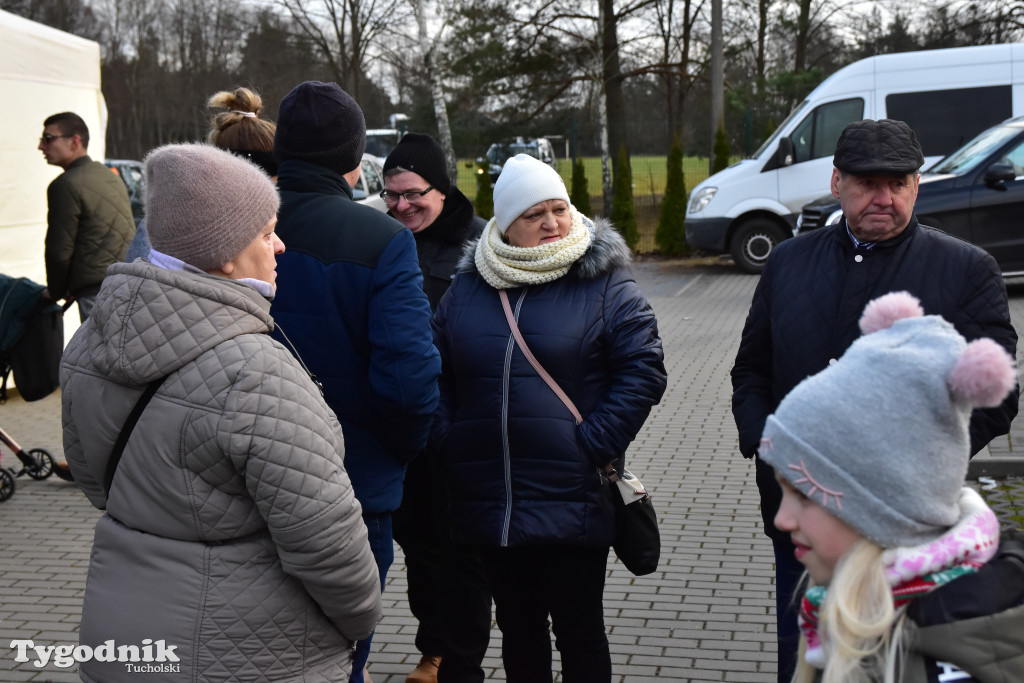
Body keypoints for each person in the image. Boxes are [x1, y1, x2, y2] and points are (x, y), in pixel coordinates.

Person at [59, 143, 382, 682]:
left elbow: (99, 483)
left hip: (120, 634)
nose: (280, 246)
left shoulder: (89, 344)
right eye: (265, 232)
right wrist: (361, 619)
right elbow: (327, 543)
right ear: (226, 253)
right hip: (247, 649)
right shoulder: (256, 372)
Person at [731, 118, 1020, 682]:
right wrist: (768, 444)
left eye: (900, 182)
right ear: (837, 182)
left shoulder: (965, 270)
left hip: (898, 529)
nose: (883, 198)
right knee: (806, 649)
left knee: (888, 660)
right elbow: (751, 368)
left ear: (918, 184)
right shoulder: (789, 261)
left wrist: (905, 463)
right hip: (800, 519)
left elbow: (995, 396)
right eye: (867, 183)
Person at [431, 154, 668, 683]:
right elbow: (436, 372)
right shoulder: (468, 288)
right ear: (506, 225)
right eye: (534, 214)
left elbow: (644, 371)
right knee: (518, 630)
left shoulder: (606, 283)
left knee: (581, 632)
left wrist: (590, 443)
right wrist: (450, 439)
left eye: (559, 209)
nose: (552, 224)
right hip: (491, 496)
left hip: (572, 491)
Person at [759, 290, 1024, 682]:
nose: (781, 520)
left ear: (886, 504)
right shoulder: (851, 605)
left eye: (805, 494)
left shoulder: (918, 660)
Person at [269, 81, 441, 683]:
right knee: (339, 653)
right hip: (351, 486)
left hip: (238, 484)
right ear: (354, 158)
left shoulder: (233, 229)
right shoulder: (382, 239)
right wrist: (397, 452)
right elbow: (409, 379)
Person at [382, 132, 490, 683]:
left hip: (465, 427)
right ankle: (436, 647)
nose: (402, 206)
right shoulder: (383, 240)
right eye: (391, 195)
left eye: (413, 193)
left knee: (464, 554)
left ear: (442, 189)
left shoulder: (482, 247)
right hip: (406, 431)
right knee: (421, 551)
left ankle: (455, 659)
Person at [38, 111, 135, 321]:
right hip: (126, 283)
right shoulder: (110, 176)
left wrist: (56, 291)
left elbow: (58, 250)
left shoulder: (65, 185)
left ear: (74, 142)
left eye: (48, 139)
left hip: (95, 292)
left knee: (100, 352)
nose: (41, 146)